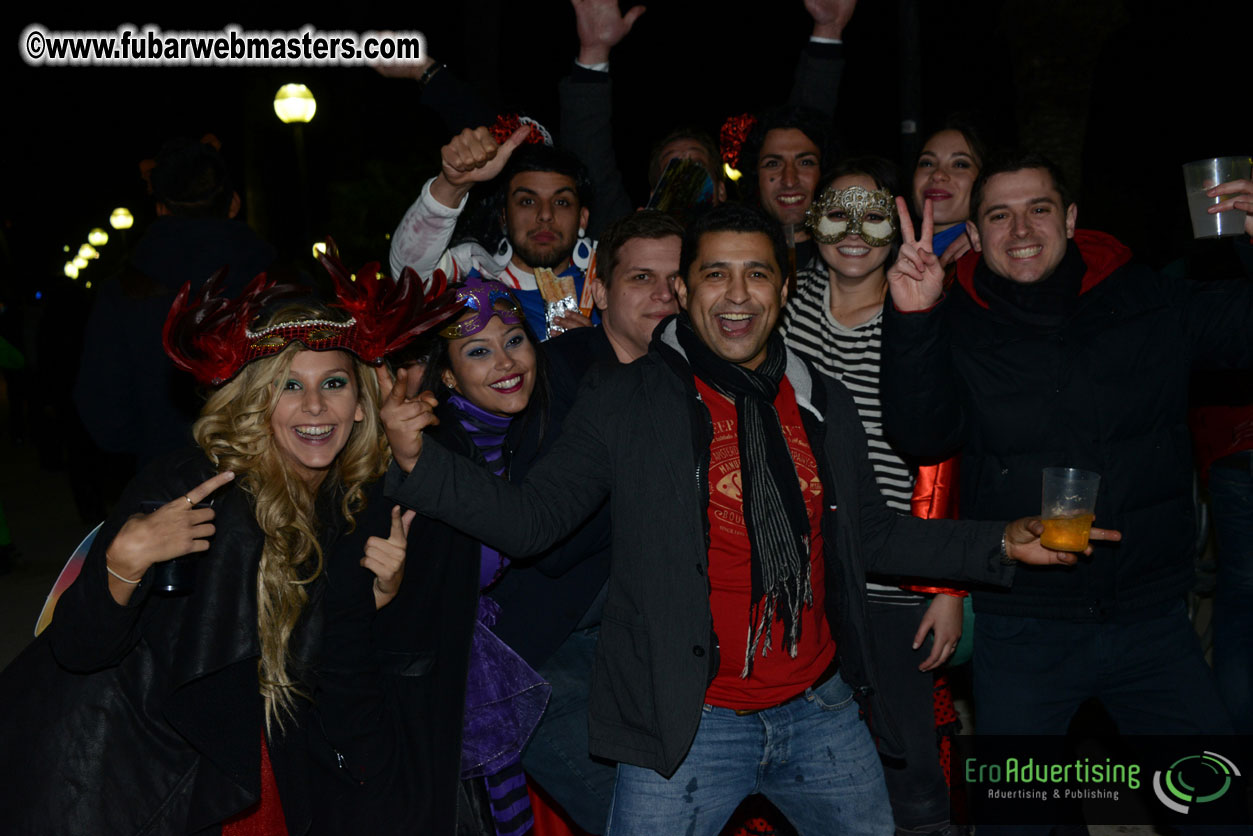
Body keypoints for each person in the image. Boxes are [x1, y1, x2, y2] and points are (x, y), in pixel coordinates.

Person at [379, 203, 1112, 836]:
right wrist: (420, 460)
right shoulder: (626, 400)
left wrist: (1000, 541)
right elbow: (534, 521)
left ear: (782, 289)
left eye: (756, 274)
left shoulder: (820, 401)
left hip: (819, 708)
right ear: (684, 290)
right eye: (715, 274)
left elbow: (873, 534)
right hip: (686, 722)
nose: (736, 295)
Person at [0, 264, 465, 834]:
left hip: (248, 755)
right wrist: (122, 563)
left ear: (361, 404)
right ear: (257, 401)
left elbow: (320, 659)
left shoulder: (350, 499)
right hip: (130, 768)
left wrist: (374, 599)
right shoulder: (195, 486)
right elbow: (78, 648)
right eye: (289, 386)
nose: (314, 406)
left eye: (333, 384)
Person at [880, 153, 1253, 832]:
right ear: (977, 232)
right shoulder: (957, 316)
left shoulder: (1146, 299)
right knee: (1018, 821)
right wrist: (912, 319)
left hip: (1148, 620)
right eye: (999, 215)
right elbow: (921, 435)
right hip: (1023, 628)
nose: (1020, 229)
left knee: (1217, 811)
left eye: (1039, 209)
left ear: (1072, 218)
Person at [781, 158, 965, 835]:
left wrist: (947, 586)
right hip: (797, 574)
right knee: (811, 760)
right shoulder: (781, 301)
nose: (854, 231)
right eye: (838, 212)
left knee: (908, 761)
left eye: (873, 215)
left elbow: (950, 451)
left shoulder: (923, 311)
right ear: (810, 222)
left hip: (891, 577)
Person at [411, 275, 552, 836]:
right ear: (447, 376)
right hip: (430, 676)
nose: (505, 362)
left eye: (513, 340)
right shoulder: (428, 448)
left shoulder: (528, 436)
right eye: (477, 351)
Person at [557, 0, 854, 236]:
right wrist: (594, 53)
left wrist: (827, 32)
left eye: (698, 167)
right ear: (653, 194)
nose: (685, 177)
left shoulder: (756, 245)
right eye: (673, 167)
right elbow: (591, 160)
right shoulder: (629, 247)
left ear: (721, 190)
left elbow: (803, 136)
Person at [74, 135, 281, 468]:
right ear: (233, 204)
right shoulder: (285, 280)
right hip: (276, 473)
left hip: (167, 479)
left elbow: (105, 414)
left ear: (160, 208)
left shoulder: (125, 293)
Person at [389, 123, 599, 339]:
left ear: (582, 219)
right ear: (504, 217)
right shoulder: (471, 283)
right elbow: (409, 278)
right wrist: (452, 187)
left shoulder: (608, 288)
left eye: (561, 202)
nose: (545, 214)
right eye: (527, 201)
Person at [909, 120, 986, 265]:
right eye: (927, 163)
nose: (938, 174)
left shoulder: (995, 261)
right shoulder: (884, 255)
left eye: (960, 164)